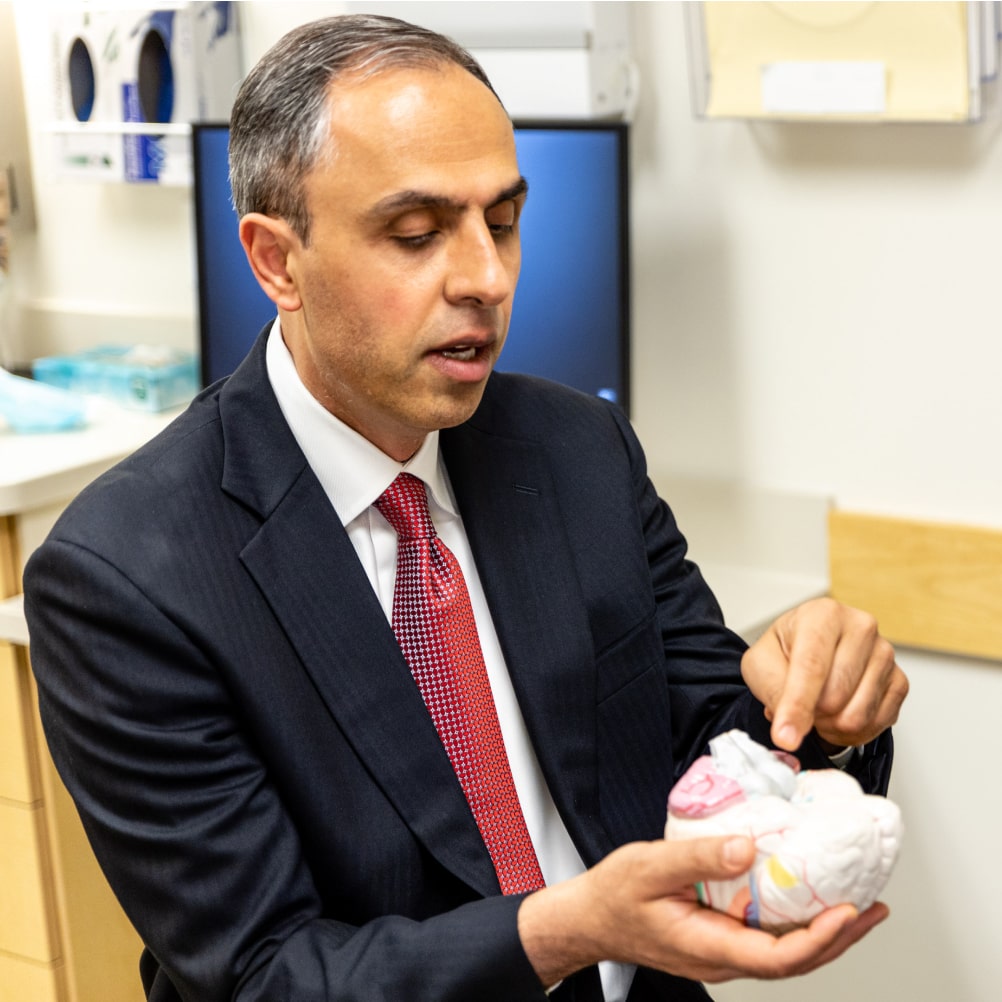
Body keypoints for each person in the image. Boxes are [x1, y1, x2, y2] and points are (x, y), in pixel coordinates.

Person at [23, 14, 908, 1002]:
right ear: (278, 262)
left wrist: (821, 711)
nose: (486, 278)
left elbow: (715, 752)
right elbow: (267, 978)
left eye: (504, 220)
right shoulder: (127, 576)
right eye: (416, 234)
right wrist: (559, 934)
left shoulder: (576, 451)